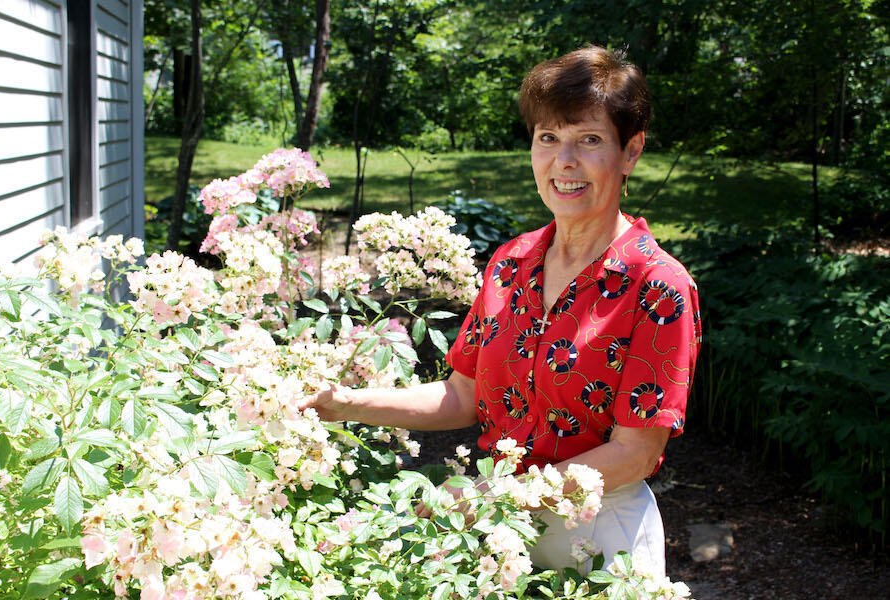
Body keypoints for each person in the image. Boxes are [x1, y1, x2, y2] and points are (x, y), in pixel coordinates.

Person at [298, 45, 701, 576]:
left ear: (631, 152)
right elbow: (465, 393)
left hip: (602, 543)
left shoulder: (658, 286)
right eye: (548, 138)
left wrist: (495, 497)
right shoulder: (512, 263)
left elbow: (635, 453)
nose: (565, 161)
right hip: (498, 542)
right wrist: (345, 403)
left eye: (590, 140)